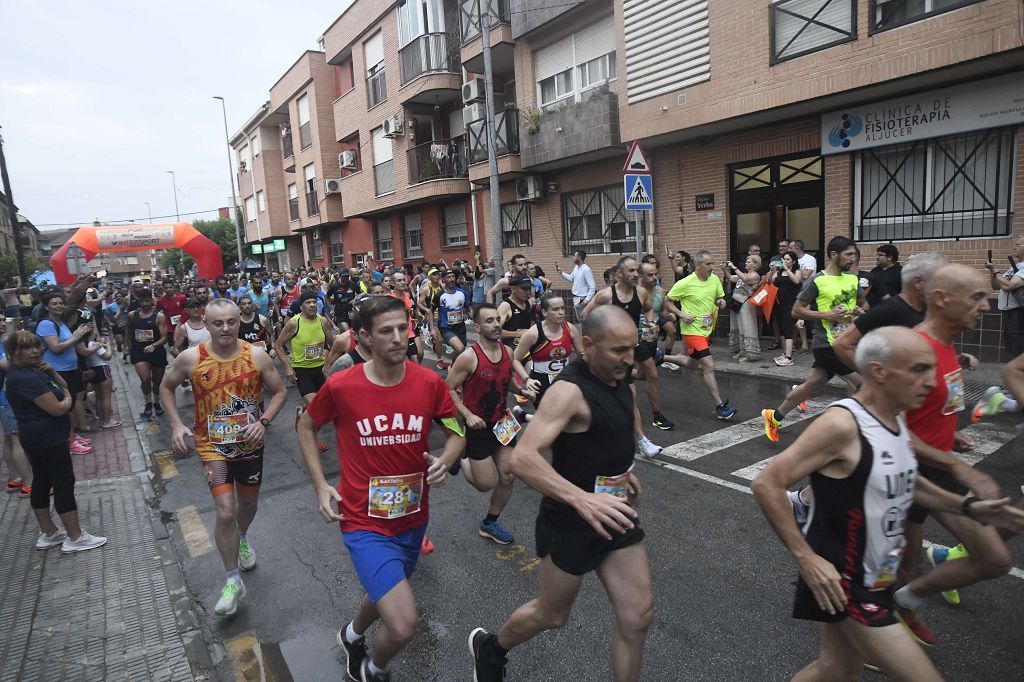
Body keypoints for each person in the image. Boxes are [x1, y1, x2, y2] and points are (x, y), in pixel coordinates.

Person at [752, 326, 1024, 681]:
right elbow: (767, 483)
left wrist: (969, 508)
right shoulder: (842, 423)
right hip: (846, 581)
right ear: (878, 371)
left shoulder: (893, 418)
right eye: (918, 370)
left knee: (838, 669)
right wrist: (807, 559)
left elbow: (910, 482)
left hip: (877, 575)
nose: (931, 382)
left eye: (931, 369)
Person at [470, 305, 652, 682]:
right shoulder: (568, 392)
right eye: (619, 350)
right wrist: (582, 498)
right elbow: (522, 459)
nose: (629, 358)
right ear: (588, 346)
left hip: (613, 510)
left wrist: (624, 471)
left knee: (637, 616)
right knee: (552, 615)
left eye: (632, 347)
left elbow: (609, 430)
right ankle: (491, 649)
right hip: (569, 519)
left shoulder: (618, 375)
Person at [297, 296, 465, 682]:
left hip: (412, 517)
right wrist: (321, 484)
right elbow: (306, 427)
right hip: (362, 522)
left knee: (389, 587)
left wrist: (448, 456)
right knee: (404, 623)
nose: (397, 338)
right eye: (386, 331)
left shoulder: (429, 382)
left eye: (402, 329)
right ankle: (372, 670)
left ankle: (351, 634)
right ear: (363, 338)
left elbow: (454, 429)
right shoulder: (342, 386)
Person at [160, 299, 288, 617]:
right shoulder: (191, 358)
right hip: (212, 446)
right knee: (226, 512)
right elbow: (166, 387)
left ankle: (242, 539)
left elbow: (281, 392)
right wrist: (176, 424)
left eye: (231, 322)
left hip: (249, 445)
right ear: (206, 324)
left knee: (247, 506)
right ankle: (232, 581)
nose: (226, 328)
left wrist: (264, 422)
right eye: (218, 323)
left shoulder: (256, 355)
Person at [5, 330, 106, 552]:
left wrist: (53, 373)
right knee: (63, 483)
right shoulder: (25, 378)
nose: (35, 351)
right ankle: (75, 537)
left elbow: (61, 389)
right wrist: (68, 397)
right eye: (27, 348)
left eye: (36, 346)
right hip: (47, 438)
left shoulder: (30, 371)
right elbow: (59, 408)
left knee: (42, 480)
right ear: (13, 352)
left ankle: (49, 533)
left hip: (38, 436)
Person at [446, 304, 538, 546]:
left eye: (497, 319)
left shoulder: (507, 352)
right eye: (489, 321)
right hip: (478, 427)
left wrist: (523, 390)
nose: (496, 324)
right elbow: (448, 390)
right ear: (477, 327)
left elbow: (506, 382)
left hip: (503, 423)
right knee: (485, 484)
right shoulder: (468, 357)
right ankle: (461, 457)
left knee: (508, 477)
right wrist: (466, 415)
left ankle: (489, 523)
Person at [762, 237, 864, 442]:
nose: (853, 259)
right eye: (849, 254)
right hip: (827, 344)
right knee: (863, 385)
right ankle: (854, 431)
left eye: (854, 255)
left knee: (811, 386)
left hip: (847, 342)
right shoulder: (818, 280)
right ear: (834, 255)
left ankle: (774, 416)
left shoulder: (853, 279)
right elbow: (796, 310)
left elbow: (862, 304)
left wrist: (858, 311)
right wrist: (827, 315)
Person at [660, 251, 737, 421]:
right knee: (708, 365)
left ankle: (662, 357)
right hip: (692, 331)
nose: (712, 267)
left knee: (692, 363)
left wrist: (721, 302)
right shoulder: (686, 282)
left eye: (712, 263)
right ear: (698, 265)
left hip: (706, 330)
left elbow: (720, 298)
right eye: (708, 264)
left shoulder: (714, 279)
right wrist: (681, 314)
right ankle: (720, 407)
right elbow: (667, 301)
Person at [274, 290, 335, 452]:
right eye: (308, 302)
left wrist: (329, 362)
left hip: (319, 370)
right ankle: (312, 440)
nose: (312, 305)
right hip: (302, 370)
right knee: (317, 407)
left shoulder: (322, 322)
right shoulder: (295, 323)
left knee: (321, 405)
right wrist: (287, 367)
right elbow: (278, 345)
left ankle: (302, 413)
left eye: (315, 302)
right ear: (301, 306)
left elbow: (334, 344)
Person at [35, 291, 94, 454]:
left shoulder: (60, 323)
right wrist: (76, 337)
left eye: (61, 303)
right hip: (57, 371)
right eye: (54, 303)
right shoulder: (46, 324)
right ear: (46, 306)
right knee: (65, 408)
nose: (59, 306)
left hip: (70, 370)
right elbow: (56, 348)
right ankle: (68, 442)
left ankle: (72, 436)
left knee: (72, 403)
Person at [513, 292, 583, 411]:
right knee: (546, 415)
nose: (561, 312)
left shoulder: (570, 329)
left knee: (566, 414)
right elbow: (515, 360)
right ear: (545, 312)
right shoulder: (533, 333)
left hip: (564, 378)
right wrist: (527, 379)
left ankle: (526, 417)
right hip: (540, 381)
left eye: (562, 308)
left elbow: (582, 354)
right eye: (555, 309)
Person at [0, 318, 33, 497]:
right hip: (5, 398)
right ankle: (29, 482)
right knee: (16, 439)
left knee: (8, 438)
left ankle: (14, 478)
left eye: (4, 320)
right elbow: (7, 365)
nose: (3, 324)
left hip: (5, 397)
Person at [125, 288, 169, 420]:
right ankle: (148, 403)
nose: (144, 304)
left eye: (147, 300)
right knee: (145, 379)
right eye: (141, 301)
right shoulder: (132, 315)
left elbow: (165, 337)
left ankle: (156, 402)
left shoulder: (159, 316)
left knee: (157, 381)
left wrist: (154, 345)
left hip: (156, 352)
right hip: (139, 352)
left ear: (152, 300)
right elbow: (127, 330)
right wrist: (127, 346)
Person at [986, 234, 1024, 359]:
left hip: (1018, 314)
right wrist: (992, 271)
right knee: (1013, 348)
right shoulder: (1015, 267)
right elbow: (996, 286)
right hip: (1009, 314)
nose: (1014, 248)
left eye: (1018, 245)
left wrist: (996, 270)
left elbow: (1008, 286)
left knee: (1018, 350)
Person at [724, 254, 762, 362]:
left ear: (755, 265)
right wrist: (725, 270)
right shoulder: (743, 274)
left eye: (749, 262)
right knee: (740, 328)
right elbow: (731, 278)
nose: (746, 263)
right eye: (746, 261)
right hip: (737, 304)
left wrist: (733, 267)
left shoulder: (755, 275)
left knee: (747, 327)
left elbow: (745, 279)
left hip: (746, 305)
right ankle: (742, 351)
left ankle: (751, 354)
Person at [768, 251, 803, 366]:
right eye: (783, 259)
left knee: (788, 329)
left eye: (787, 259)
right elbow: (770, 281)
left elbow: (796, 280)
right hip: (779, 303)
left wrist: (787, 269)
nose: (785, 261)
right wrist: (772, 270)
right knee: (782, 328)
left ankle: (789, 358)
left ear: (793, 261)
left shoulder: (796, 271)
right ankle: (785, 353)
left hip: (790, 304)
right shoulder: (779, 272)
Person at [82, 328, 118, 429]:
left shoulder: (85, 345)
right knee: (106, 396)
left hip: (92, 370)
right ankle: (107, 420)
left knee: (98, 396)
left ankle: (101, 419)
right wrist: (109, 346)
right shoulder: (95, 345)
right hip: (102, 368)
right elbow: (107, 356)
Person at [433, 269, 471, 358]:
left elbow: (468, 308)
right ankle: (452, 367)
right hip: (446, 328)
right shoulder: (439, 295)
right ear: (443, 279)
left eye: (453, 276)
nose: (451, 279)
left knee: (462, 349)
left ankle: (454, 367)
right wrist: (432, 327)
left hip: (460, 326)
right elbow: (430, 311)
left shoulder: (462, 292)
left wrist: (477, 319)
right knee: (460, 348)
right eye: (448, 277)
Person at [555, 250, 596, 322]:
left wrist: (588, 299)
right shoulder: (576, 267)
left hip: (582, 299)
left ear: (579, 257)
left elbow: (592, 286)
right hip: (576, 298)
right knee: (580, 319)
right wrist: (561, 272)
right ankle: (584, 333)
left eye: (574, 255)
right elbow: (571, 278)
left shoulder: (586, 269)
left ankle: (587, 333)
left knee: (585, 320)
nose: (573, 257)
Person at [792, 240, 817, 353]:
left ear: (797, 248)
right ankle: (798, 344)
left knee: (804, 318)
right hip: (794, 292)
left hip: (807, 293)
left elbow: (806, 275)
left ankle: (808, 345)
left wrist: (793, 272)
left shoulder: (809, 259)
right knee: (794, 318)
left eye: (790, 248)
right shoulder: (791, 260)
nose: (789, 250)